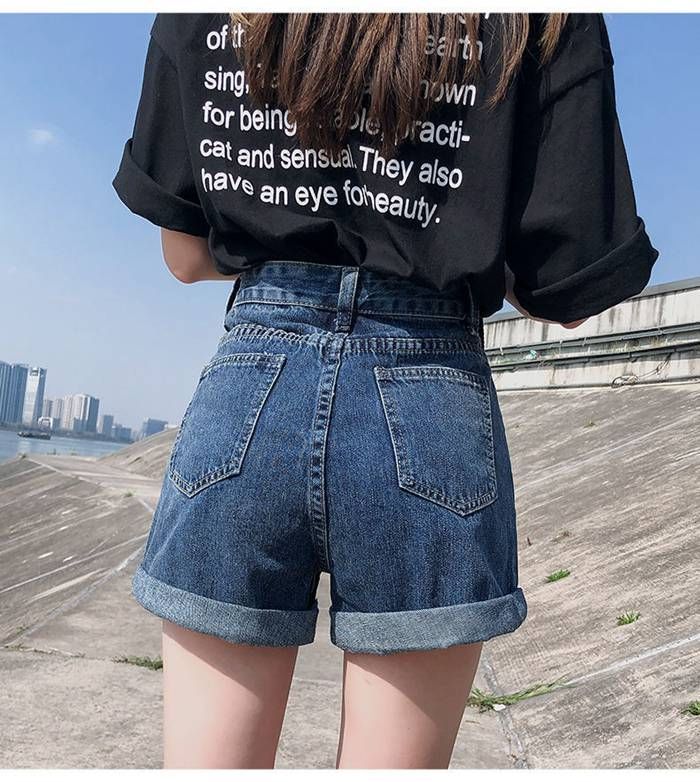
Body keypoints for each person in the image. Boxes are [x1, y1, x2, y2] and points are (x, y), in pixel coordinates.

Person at [113, 12, 659, 769]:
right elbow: (567, 286)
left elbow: (184, 256)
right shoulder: (540, 18)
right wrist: (451, 236)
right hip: (430, 397)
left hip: (252, 387)